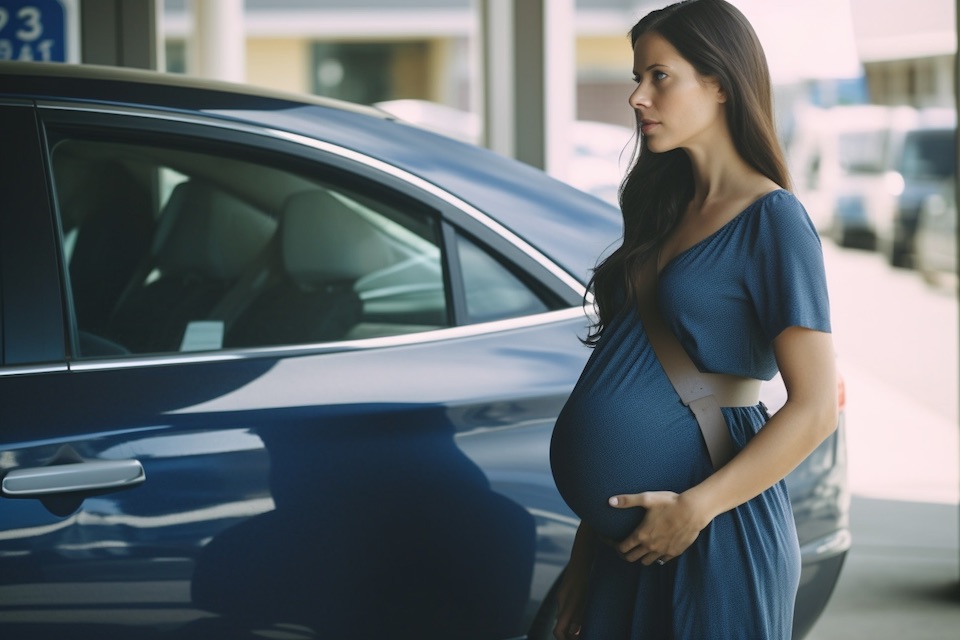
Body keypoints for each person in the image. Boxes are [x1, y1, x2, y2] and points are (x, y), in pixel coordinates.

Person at [548, 1, 838, 638]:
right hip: (626, 545)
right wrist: (585, 554)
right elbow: (623, 388)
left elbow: (817, 408)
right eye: (635, 77)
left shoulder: (774, 221)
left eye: (658, 76)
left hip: (712, 533)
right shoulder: (663, 210)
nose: (635, 97)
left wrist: (694, 509)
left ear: (720, 83)